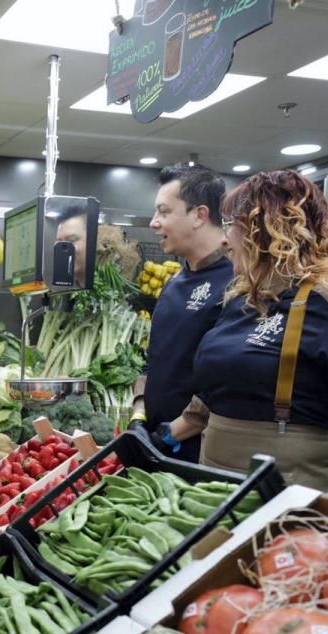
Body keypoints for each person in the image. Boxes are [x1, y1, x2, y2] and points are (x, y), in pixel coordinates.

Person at [165, 169, 328, 506]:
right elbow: (221, 387)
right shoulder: (240, 298)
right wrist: (162, 436)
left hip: (293, 494)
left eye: (231, 227)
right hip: (215, 488)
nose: (225, 240)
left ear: (263, 232)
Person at [129, 164, 236, 463]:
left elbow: (227, 384)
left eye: (164, 212)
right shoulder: (174, 282)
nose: (154, 223)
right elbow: (154, 361)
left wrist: (168, 435)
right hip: (156, 448)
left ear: (200, 215)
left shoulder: (237, 284)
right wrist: (139, 416)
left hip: (201, 456)